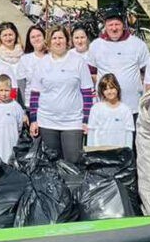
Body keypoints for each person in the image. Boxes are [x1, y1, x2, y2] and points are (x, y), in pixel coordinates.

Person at [28, 26, 94, 164]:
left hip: (72, 121)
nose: (58, 42)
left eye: (61, 38)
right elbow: (35, 94)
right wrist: (33, 119)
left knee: (73, 162)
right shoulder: (42, 64)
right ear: (49, 41)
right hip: (47, 120)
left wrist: (86, 120)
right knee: (51, 164)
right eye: (54, 38)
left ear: (67, 40)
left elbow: (87, 92)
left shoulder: (78, 62)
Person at [88, 10, 150, 111]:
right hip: (105, 107)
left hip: (133, 106)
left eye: (117, 24)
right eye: (110, 25)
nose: (114, 28)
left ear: (123, 25)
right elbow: (92, 74)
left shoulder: (137, 44)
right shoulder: (96, 45)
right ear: (105, 26)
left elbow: (148, 73)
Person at [0, 75, 26, 164]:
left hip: (10, 142)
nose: (4, 93)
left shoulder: (16, 107)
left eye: (6, 90)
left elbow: (19, 126)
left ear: (11, 90)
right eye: (1, 90)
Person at [86, 74, 135, 149]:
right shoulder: (96, 108)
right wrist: (92, 152)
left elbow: (128, 134)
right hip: (100, 152)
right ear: (102, 92)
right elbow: (91, 132)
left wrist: (127, 153)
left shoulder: (125, 110)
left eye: (112, 88)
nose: (109, 92)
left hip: (119, 153)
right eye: (105, 89)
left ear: (117, 88)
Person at [17, 25, 48, 104]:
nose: (36, 39)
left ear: (44, 37)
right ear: (29, 40)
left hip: (50, 104)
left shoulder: (52, 57)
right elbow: (21, 86)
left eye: (39, 36)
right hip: (31, 104)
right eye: (33, 37)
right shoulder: (25, 59)